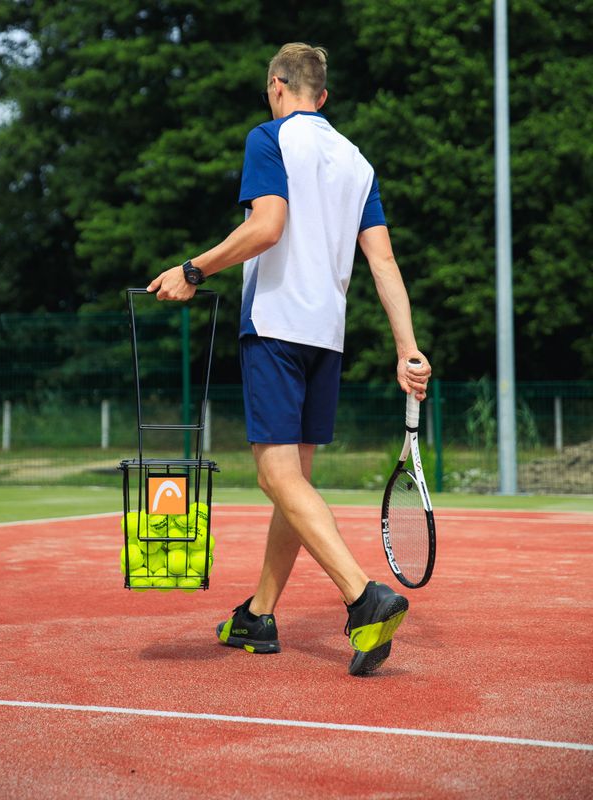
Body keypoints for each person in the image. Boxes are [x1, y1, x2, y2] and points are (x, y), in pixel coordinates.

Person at [147, 42, 431, 676]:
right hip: (326, 336)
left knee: (277, 478)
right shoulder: (357, 162)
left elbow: (267, 226)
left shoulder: (270, 138)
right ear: (322, 96)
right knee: (292, 483)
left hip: (275, 324)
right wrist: (406, 347)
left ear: (278, 87)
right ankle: (260, 615)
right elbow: (383, 263)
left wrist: (191, 269)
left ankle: (365, 598)